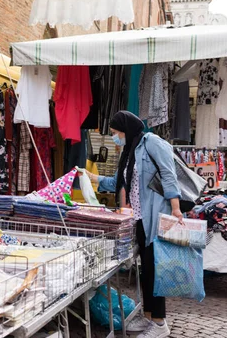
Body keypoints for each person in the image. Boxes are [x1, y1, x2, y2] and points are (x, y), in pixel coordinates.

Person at [86, 111, 181, 338]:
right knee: (146, 271)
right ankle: (148, 317)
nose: (115, 137)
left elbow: (169, 174)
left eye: (116, 133)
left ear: (126, 129)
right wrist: (92, 178)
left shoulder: (152, 143)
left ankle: (159, 324)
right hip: (139, 219)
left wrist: (176, 207)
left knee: (155, 271)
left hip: (157, 217)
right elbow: (117, 181)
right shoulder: (129, 153)